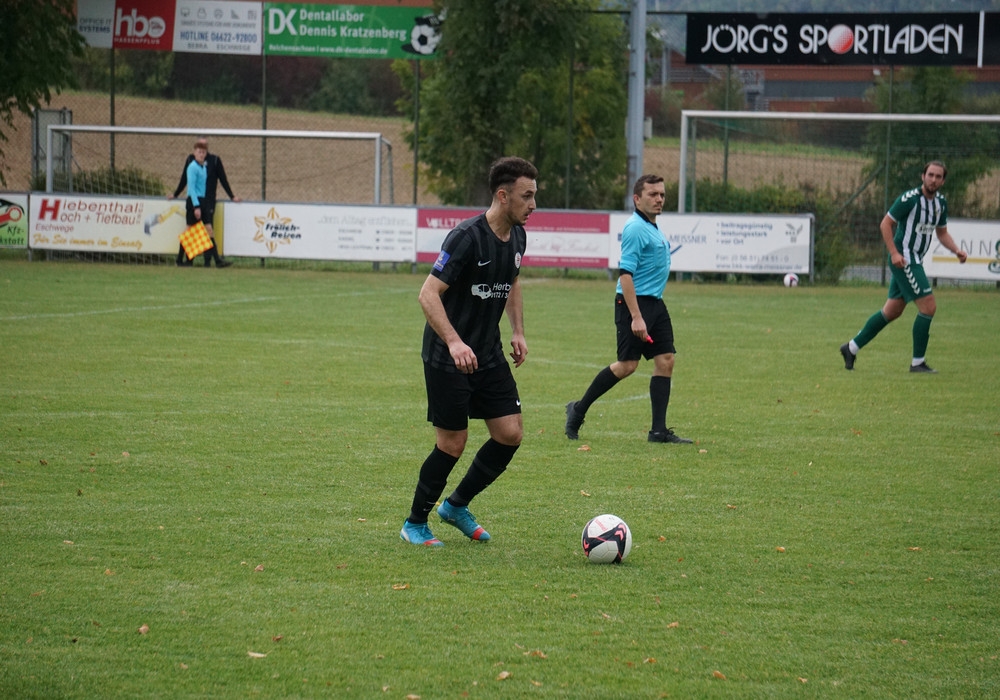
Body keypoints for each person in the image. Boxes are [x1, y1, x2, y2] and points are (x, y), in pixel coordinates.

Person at [400, 156, 537, 547]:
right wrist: (454, 341)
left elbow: (512, 280)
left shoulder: (518, 236)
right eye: (526, 196)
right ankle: (415, 523)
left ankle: (456, 506)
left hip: (488, 353)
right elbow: (428, 294)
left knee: (510, 433)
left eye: (534, 196)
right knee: (452, 443)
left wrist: (518, 331)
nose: (533, 205)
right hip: (448, 356)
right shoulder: (465, 237)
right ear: (502, 195)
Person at [565, 174, 692, 445]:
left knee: (666, 360)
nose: (659, 199)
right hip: (634, 304)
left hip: (655, 303)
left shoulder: (652, 227)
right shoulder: (635, 228)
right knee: (627, 365)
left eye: (662, 194)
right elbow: (625, 275)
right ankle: (578, 409)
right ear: (637, 199)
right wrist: (636, 317)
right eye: (652, 194)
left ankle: (658, 431)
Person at [839, 160, 967, 373]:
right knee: (928, 306)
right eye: (930, 175)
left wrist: (957, 250)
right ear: (923, 176)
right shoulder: (909, 199)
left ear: (943, 181)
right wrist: (894, 253)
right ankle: (917, 363)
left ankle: (851, 348)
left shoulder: (940, 204)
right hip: (905, 259)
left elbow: (942, 233)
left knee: (892, 311)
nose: (933, 179)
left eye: (938, 176)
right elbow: (885, 223)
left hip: (915, 259)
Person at [170, 138, 239, 267]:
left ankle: (217, 261)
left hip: (203, 201)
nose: (201, 154)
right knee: (189, 231)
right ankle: (180, 260)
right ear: (194, 153)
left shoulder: (203, 168)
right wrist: (196, 206)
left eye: (203, 152)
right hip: (194, 202)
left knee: (209, 230)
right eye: (199, 152)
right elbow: (191, 188)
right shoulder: (192, 167)